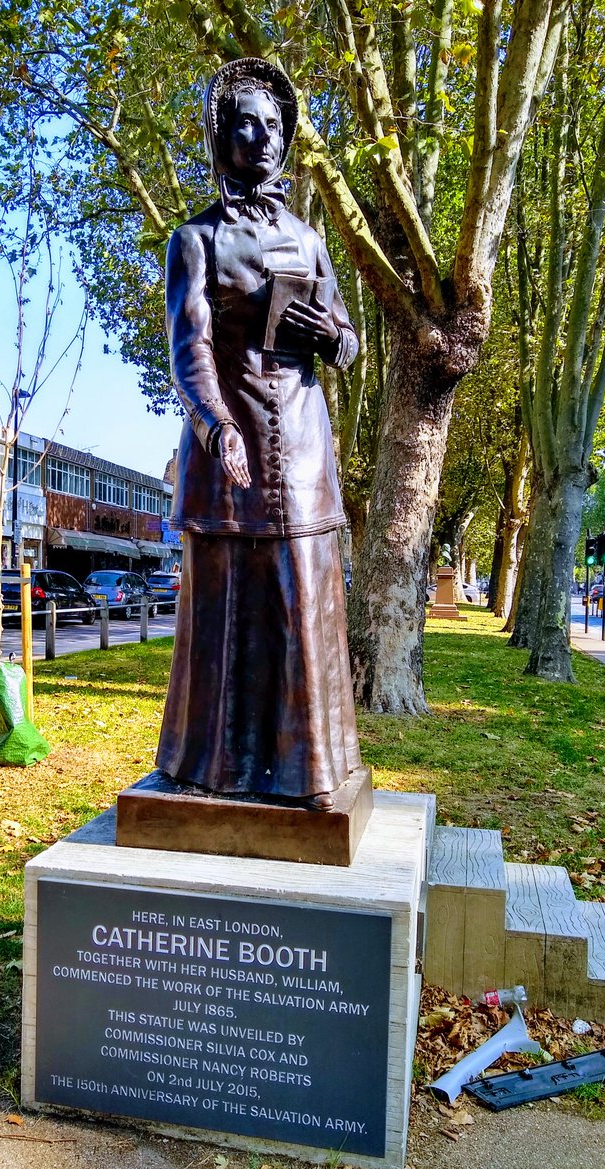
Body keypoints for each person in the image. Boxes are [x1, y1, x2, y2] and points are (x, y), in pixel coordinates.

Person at [155, 58, 361, 812]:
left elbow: (346, 338)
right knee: (226, 618)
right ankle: (210, 769)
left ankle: (307, 771)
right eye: (246, 123)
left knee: (303, 607)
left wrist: (332, 338)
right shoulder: (194, 241)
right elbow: (190, 348)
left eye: (274, 126)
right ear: (220, 132)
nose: (262, 138)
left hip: (303, 450)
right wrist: (213, 425)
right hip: (227, 457)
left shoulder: (307, 240)